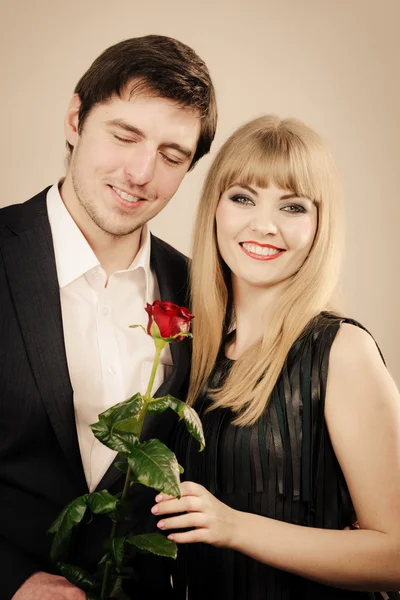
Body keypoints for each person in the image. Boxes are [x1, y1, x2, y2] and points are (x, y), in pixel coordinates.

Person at [0, 35, 217, 600]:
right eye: (125, 136)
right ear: (75, 118)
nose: (141, 173)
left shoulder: (204, 291)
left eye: (172, 156)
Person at [152, 115, 400, 599]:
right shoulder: (195, 354)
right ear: (215, 209)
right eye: (243, 197)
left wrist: (233, 527)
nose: (264, 225)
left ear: (319, 224)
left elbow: (396, 557)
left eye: (293, 206)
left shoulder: (342, 352)